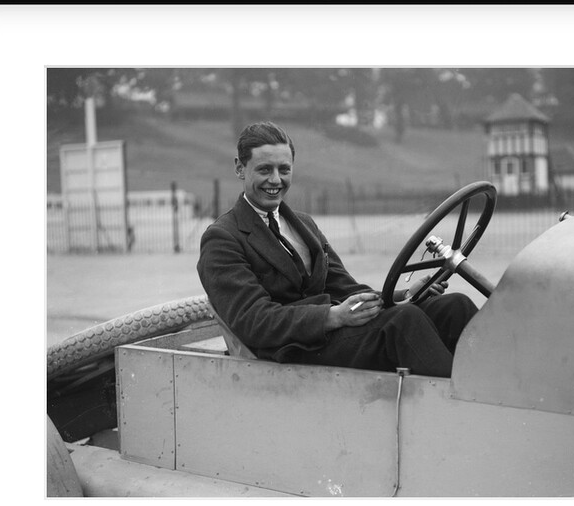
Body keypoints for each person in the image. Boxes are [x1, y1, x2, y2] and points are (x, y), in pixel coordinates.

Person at [197, 121, 478, 377]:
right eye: (264, 170)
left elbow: (345, 288)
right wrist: (332, 316)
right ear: (239, 168)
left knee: (453, 306)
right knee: (403, 322)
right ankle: (465, 407)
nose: (275, 180)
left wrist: (404, 294)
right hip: (291, 350)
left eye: (284, 169)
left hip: (331, 334)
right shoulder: (223, 239)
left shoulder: (303, 224)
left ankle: (496, 390)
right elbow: (254, 321)